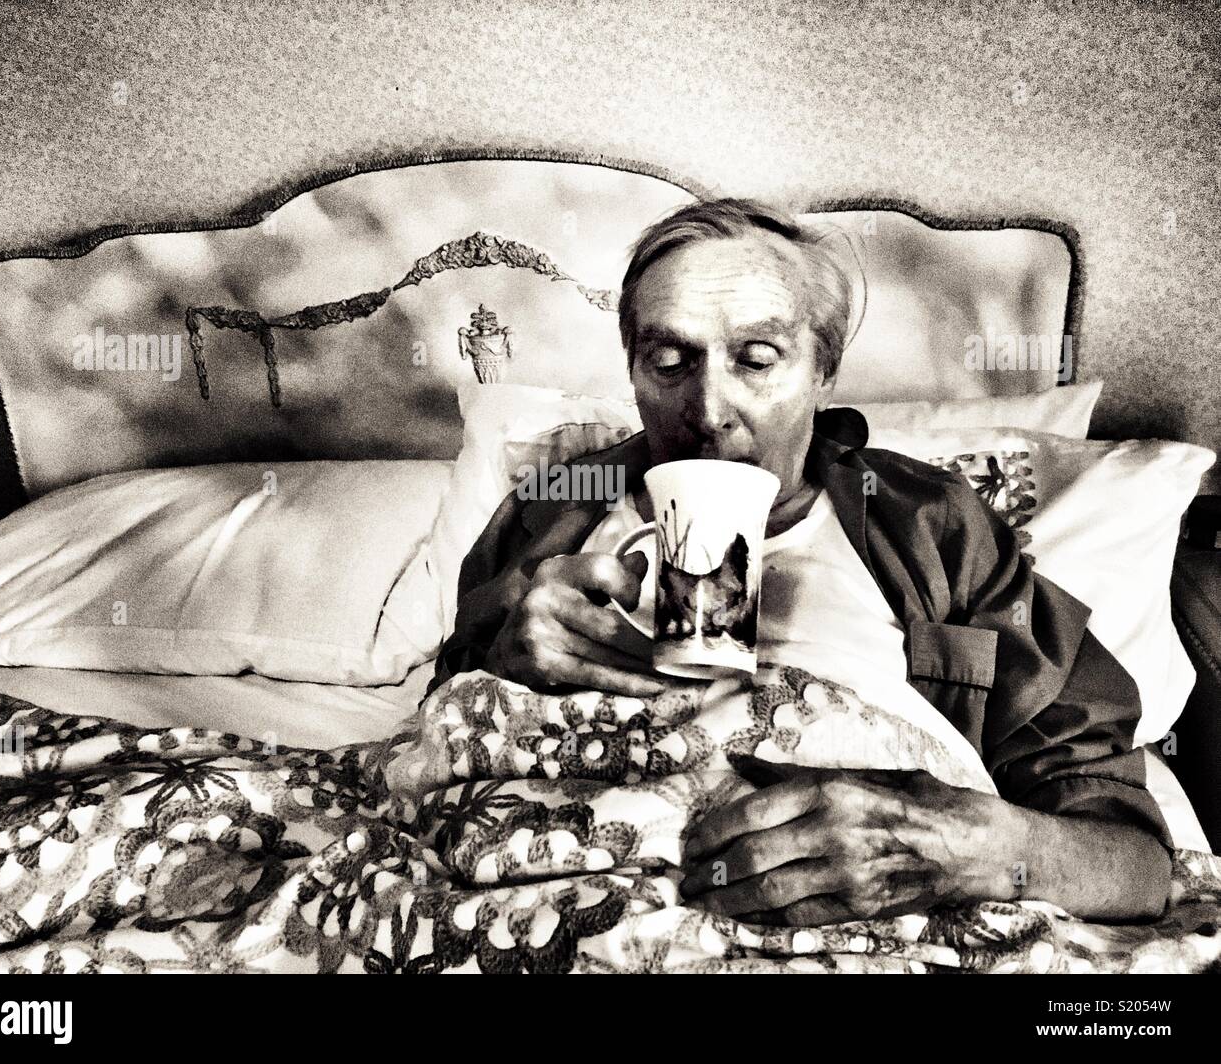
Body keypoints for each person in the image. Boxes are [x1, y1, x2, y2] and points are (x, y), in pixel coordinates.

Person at [431, 198, 1174, 924]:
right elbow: (438, 751)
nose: (709, 407)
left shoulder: (931, 524)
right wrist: (498, 660)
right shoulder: (553, 508)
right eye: (667, 360)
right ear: (631, 370)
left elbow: (1134, 863)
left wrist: (957, 845)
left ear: (823, 372)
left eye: (758, 359)